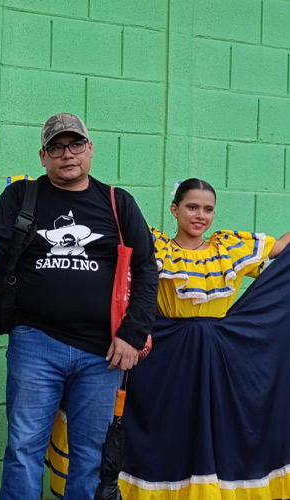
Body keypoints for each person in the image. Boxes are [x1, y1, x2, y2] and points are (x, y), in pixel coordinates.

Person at [0, 113, 158, 499]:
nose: (67, 154)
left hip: (102, 353)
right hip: (35, 343)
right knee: (24, 449)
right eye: (56, 147)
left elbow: (147, 270)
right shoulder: (21, 196)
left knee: (89, 457)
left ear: (90, 149)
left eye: (75, 144)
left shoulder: (117, 203)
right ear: (43, 156)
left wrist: (132, 333)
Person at [115, 178, 290, 499]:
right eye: (192, 207)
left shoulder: (228, 247)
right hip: (164, 357)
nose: (201, 216)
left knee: (216, 433)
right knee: (170, 433)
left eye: (208, 209)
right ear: (175, 209)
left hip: (218, 359)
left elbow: (281, 248)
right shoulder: (155, 245)